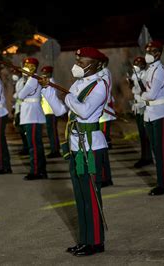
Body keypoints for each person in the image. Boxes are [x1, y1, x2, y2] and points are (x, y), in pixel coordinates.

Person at [41, 47, 108, 256]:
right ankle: (85, 240)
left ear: (95, 64)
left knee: (91, 195)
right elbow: (62, 111)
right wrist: (48, 91)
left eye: (81, 62)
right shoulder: (79, 84)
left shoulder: (99, 85)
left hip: (91, 146)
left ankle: (96, 241)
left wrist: (68, 96)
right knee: (80, 196)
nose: (77, 65)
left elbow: (85, 111)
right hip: (76, 146)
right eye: (77, 61)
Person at [142, 41, 164, 196]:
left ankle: (162, 184)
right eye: (148, 51)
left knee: (159, 150)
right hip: (150, 112)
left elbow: (151, 94)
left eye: (153, 51)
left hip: (160, 112)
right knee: (156, 149)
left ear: (159, 53)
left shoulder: (160, 70)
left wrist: (141, 96)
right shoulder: (150, 69)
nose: (149, 54)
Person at [18, 57, 47, 180]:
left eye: (27, 65)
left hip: (32, 115)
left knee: (34, 146)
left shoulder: (32, 79)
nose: (25, 67)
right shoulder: (30, 79)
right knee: (36, 145)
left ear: (32, 67)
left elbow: (21, 95)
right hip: (30, 115)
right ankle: (41, 170)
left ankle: (36, 171)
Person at [130, 56, 153, 168]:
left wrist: (133, 86)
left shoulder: (144, 74)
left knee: (145, 133)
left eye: (137, 63)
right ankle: (145, 156)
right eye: (134, 63)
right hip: (137, 106)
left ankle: (147, 157)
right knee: (141, 133)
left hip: (144, 106)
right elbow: (135, 90)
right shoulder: (135, 74)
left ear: (143, 65)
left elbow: (140, 89)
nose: (135, 66)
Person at [96, 57, 114, 187]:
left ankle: (105, 178)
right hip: (99, 114)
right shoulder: (99, 74)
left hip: (103, 114)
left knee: (101, 148)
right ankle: (104, 177)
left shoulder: (104, 74)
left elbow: (103, 94)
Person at [40, 66, 61, 158]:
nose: (44, 75)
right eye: (43, 73)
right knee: (50, 131)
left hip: (51, 111)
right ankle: (54, 149)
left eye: (46, 73)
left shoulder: (51, 83)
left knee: (52, 132)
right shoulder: (48, 82)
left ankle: (55, 150)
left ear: (50, 73)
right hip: (47, 111)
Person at [98, 57, 116, 149]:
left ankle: (106, 143)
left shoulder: (104, 72)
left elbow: (106, 88)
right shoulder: (102, 72)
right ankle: (106, 142)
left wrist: (106, 101)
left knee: (104, 124)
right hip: (103, 101)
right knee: (102, 124)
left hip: (104, 101)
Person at [12, 68, 28, 155]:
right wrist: (14, 107)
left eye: (15, 72)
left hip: (23, 108)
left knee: (23, 130)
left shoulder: (23, 82)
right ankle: (25, 146)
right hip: (19, 108)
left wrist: (15, 95)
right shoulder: (18, 82)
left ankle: (26, 147)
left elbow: (19, 94)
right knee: (20, 129)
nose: (14, 75)